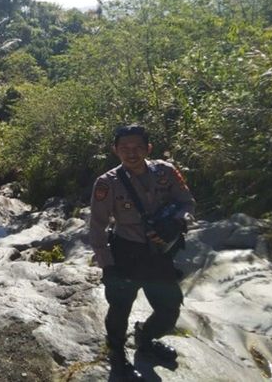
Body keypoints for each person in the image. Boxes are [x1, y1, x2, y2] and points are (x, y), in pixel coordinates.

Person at [89, 125, 195, 380]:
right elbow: (97, 225)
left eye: (137, 147)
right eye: (124, 148)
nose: (131, 153)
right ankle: (116, 354)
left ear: (149, 148)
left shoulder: (166, 172)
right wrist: (107, 265)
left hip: (160, 253)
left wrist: (178, 222)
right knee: (119, 308)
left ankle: (145, 338)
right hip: (125, 252)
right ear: (115, 150)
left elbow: (187, 202)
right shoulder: (107, 183)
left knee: (169, 308)